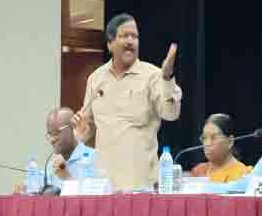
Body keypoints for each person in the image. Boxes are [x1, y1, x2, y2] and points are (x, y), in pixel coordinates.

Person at [72, 13, 182, 191]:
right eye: (124, 36)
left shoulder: (152, 75)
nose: (131, 41)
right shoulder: (95, 79)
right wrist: (79, 132)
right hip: (103, 186)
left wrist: (167, 77)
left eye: (135, 36)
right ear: (110, 43)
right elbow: (87, 129)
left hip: (141, 187)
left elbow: (171, 113)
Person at [190, 114, 253, 182]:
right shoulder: (199, 171)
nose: (207, 144)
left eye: (214, 137)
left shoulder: (243, 174)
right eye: (204, 138)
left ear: (230, 141)